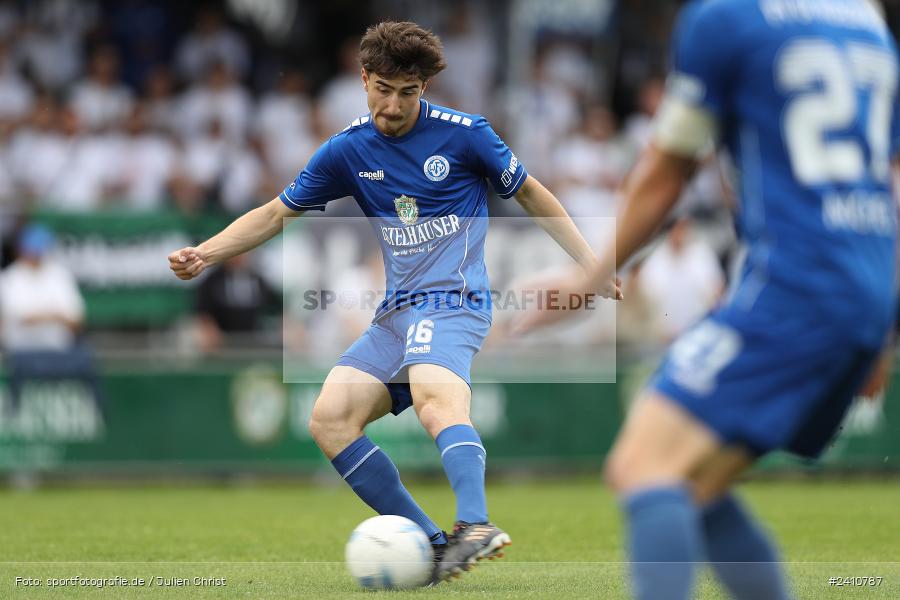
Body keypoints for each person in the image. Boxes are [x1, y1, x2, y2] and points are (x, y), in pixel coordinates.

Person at [168, 21, 619, 584]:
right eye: (383, 89)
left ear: (423, 88)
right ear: (364, 79)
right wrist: (206, 253)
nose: (394, 105)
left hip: (454, 300)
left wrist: (591, 265)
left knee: (434, 396)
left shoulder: (466, 135)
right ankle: (433, 546)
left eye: (408, 92)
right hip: (396, 313)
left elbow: (530, 191)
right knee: (331, 420)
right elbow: (275, 213)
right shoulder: (348, 149)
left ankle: (474, 524)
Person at [516, 1, 899, 599]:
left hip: (798, 284)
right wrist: (885, 319)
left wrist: (588, 278)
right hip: (865, 284)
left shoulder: (725, 18)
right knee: (695, 485)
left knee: (644, 467)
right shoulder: (864, 20)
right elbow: (887, 180)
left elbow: (669, 169)